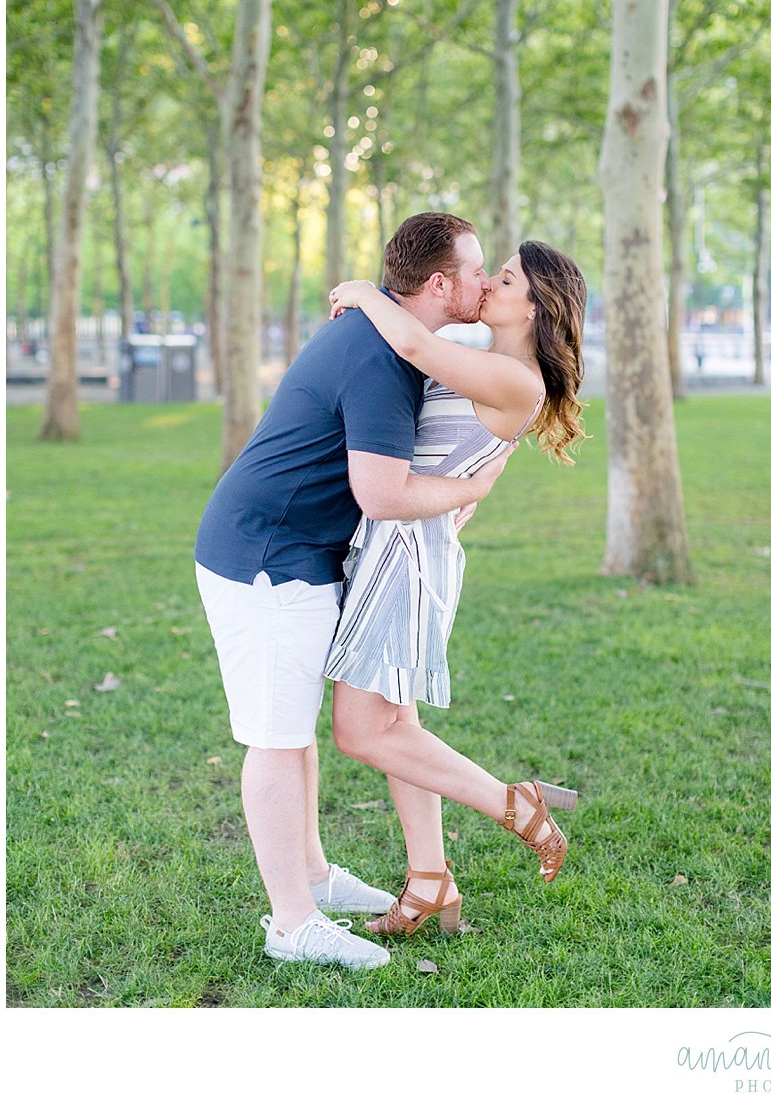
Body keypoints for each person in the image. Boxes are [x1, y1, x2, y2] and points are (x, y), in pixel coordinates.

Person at [195, 211, 510, 970]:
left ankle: (312, 874)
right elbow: (382, 493)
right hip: (264, 556)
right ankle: (292, 922)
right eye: (474, 270)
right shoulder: (377, 356)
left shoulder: (396, 339)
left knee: (294, 731)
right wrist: (461, 490)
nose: (484, 280)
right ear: (438, 284)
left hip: (298, 554)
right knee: (274, 739)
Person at [323, 238, 587, 937]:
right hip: (402, 539)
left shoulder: (518, 380)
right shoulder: (491, 360)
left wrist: (363, 288)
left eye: (504, 279)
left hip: (407, 555)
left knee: (359, 731)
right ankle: (429, 882)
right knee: (397, 727)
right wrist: (466, 491)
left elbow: (413, 346)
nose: (489, 283)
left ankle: (518, 805)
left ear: (535, 307)